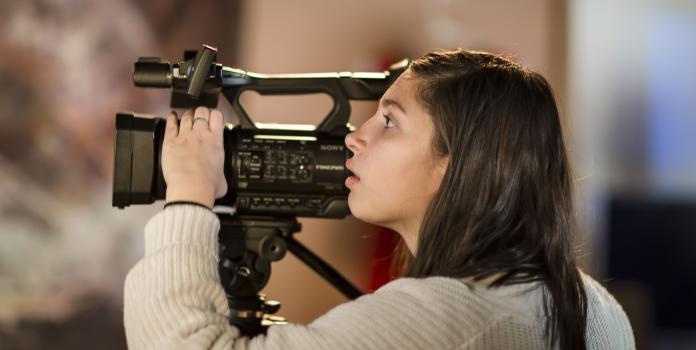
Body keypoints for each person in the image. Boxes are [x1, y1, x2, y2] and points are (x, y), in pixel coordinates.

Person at [123, 49, 635, 349]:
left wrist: (189, 194)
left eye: (389, 121)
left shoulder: (442, 321)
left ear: (452, 165)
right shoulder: (596, 306)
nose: (353, 137)